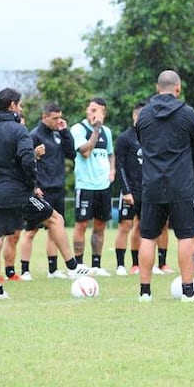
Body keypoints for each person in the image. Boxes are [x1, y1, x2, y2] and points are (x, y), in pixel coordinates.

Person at [0, 88, 90, 299]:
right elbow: (27, 159)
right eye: (19, 104)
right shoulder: (19, 130)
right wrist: (30, 184)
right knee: (55, 219)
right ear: (12, 105)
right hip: (19, 192)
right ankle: (73, 266)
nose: (20, 108)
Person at [134, 70, 194, 302]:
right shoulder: (187, 113)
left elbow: (142, 142)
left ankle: (145, 292)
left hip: (152, 185)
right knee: (186, 236)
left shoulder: (144, 115)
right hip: (181, 185)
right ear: (178, 88)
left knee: (148, 236)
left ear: (158, 88)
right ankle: (188, 292)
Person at [18, 102, 75, 280]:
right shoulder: (34, 135)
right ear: (44, 117)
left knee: (55, 228)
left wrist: (65, 132)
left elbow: (71, 154)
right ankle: (25, 270)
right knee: (31, 231)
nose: (58, 121)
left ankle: (53, 270)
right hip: (41, 190)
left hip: (57, 188)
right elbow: (26, 162)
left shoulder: (58, 135)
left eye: (60, 117)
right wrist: (34, 186)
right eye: (54, 118)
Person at [71, 97, 116, 276]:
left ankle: (96, 265)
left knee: (100, 226)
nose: (93, 113)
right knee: (81, 225)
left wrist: (112, 170)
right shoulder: (78, 129)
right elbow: (86, 152)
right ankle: (78, 266)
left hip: (103, 186)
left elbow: (110, 153)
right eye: (91, 109)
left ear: (104, 113)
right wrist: (96, 128)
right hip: (85, 185)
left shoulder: (107, 132)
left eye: (97, 110)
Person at [113, 101, 146, 276]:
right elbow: (119, 166)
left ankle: (136, 264)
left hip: (147, 191)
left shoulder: (150, 137)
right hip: (130, 191)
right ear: (134, 116)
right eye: (139, 115)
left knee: (141, 227)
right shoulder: (125, 138)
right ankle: (120, 265)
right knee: (125, 226)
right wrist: (125, 190)